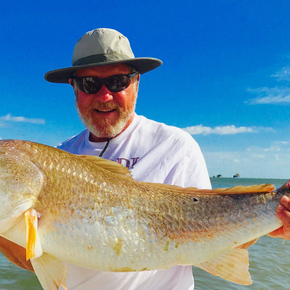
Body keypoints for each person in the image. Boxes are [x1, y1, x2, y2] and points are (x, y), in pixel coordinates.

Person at [0, 28, 290, 290]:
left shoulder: (176, 146)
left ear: (136, 83)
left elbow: (211, 231)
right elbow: (31, 259)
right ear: (74, 89)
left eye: (117, 81)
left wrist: (272, 218)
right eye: (89, 83)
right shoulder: (61, 153)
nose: (104, 96)